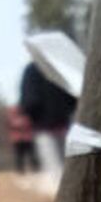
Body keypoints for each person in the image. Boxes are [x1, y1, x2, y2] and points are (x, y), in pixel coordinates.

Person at [18, 61, 76, 191]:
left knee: (55, 167)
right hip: (64, 123)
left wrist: (33, 116)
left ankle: (65, 197)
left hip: (44, 126)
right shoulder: (57, 66)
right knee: (71, 164)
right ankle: (74, 194)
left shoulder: (32, 69)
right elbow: (72, 96)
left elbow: (29, 101)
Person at [6, 104, 38, 175]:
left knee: (32, 155)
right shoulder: (11, 118)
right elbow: (12, 126)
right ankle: (20, 170)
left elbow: (29, 124)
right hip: (17, 140)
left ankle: (35, 169)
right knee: (19, 156)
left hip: (27, 139)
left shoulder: (26, 117)